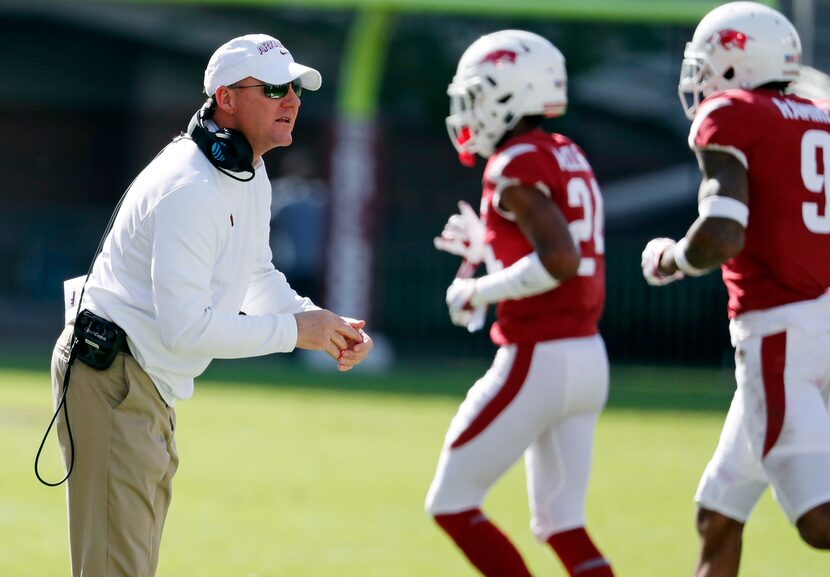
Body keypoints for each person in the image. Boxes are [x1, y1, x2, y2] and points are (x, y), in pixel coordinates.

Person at [48, 34, 373, 577]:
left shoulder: (247, 169)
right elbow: (186, 331)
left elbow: (256, 274)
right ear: (226, 98)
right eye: (273, 89)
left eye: (294, 87)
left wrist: (323, 325)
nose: (291, 99)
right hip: (115, 377)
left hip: (143, 382)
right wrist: (297, 332)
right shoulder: (190, 186)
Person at [640, 3, 830, 575]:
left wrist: (672, 258)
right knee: (719, 512)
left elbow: (723, 231)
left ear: (733, 64)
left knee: (819, 522)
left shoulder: (734, 113)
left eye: (705, 64)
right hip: (820, 316)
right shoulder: (819, 116)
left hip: (780, 329)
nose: (698, 78)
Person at [426, 30, 615, 577]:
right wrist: (488, 252)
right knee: (561, 522)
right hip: (586, 354)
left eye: (478, 93)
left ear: (513, 91)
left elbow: (556, 261)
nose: (468, 108)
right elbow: (550, 255)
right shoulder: (565, 152)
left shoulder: (513, 162)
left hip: (540, 355)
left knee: (452, 502)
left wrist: (476, 288)